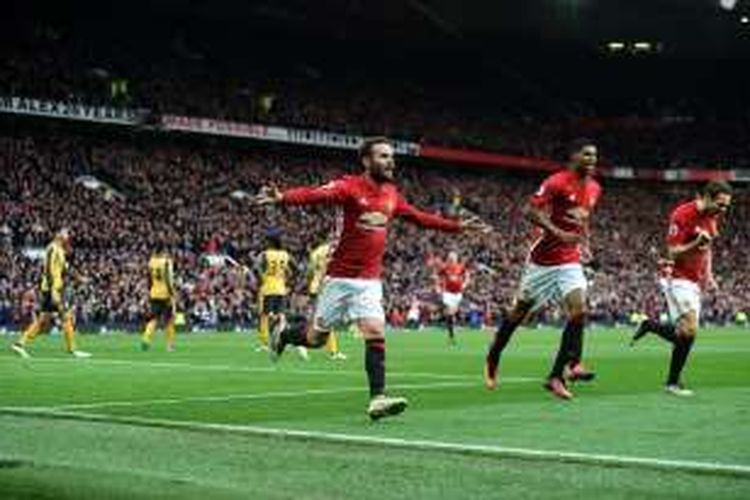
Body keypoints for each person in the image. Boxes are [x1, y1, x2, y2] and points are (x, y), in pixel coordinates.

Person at [253, 136, 490, 420]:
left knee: (375, 332)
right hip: (339, 278)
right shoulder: (349, 186)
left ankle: (377, 398)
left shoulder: (391, 193)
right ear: (366, 160)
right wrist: (283, 197)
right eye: (383, 156)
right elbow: (317, 194)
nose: (390, 161)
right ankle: (283, 335)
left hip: (369, 280)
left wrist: (456, 227)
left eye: (391, 156)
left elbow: (417, 216)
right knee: (316, 339)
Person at [483, 138, 601, 400]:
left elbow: (583, 222)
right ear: (574, 156)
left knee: (579, 311)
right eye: (587, 154)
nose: (592, 159)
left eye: (595, 155)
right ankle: (494, 354)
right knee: (519, 313)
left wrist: (586, 246)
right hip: (543, 260)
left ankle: (557, 375)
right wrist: (558, 232)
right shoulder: (557, 182)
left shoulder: (594, 188)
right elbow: (530, 211)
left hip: (570, 259)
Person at [631, 181, 733, 396]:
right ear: (707, 196)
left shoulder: (712, 217)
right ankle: (672, 383)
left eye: (726, 206)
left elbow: (709, 248)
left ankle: (651, 326)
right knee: (690, 330)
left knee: (686, 334)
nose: (723, 210)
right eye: (720, 204)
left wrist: (709, 274)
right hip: (676, 276)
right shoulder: (683, 214)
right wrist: (695, 244)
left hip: (695, 279)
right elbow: (672, 252)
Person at [11, 229, 91, 358]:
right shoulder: (53, 249)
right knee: (66, 316)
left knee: (44, 319)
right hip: (52, 289)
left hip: (53, 289)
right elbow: (48, 270)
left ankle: (20, 344)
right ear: (59, 236)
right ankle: (73, 349)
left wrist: (80, 278)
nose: (67, 238)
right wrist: (53, 291)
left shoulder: (60, 250)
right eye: (66, 235)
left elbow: (65, 269)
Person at [254, 229, 307, 360]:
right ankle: (293, 342)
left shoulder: (265, 254)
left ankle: (271, 342)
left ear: (270, 241)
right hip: (281, 289)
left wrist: (262, 277)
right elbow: (297, 270)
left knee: (268, 317)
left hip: (268, 289)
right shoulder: (285, 254)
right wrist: (287, 279)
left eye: (266, 240)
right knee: (281, 316)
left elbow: (257, 268)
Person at [307, 239, 346, 360]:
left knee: (321, 320)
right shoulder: (334, 250)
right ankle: (332, 352)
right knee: (324, 321)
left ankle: (333, 352)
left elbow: (310, 271)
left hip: (316, 286)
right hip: (327, 286)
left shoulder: (315, 253)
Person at [140, 244, 177, 352]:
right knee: (169, 320)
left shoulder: (151, 261)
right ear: (163, 251)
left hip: (154, 293)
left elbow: (149, 279)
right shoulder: (166, 262)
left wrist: (150, 290)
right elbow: (168, 279)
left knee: (153, 318)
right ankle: (170, 346)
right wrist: (172, 293)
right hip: (165, 294)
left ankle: (146, 338)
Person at [434, 251, 469, 345]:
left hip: (458, 294)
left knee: (452, 313)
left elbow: (467, 275)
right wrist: (437, 286)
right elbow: (437, 276)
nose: (451, 259)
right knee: (450, 312)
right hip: (448, 293)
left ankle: (452, 330)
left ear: (456, 259)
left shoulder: (460, 267)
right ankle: (451, 335)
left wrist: (465, 283)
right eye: (450, 258)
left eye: (453, 258)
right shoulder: (445, 268)